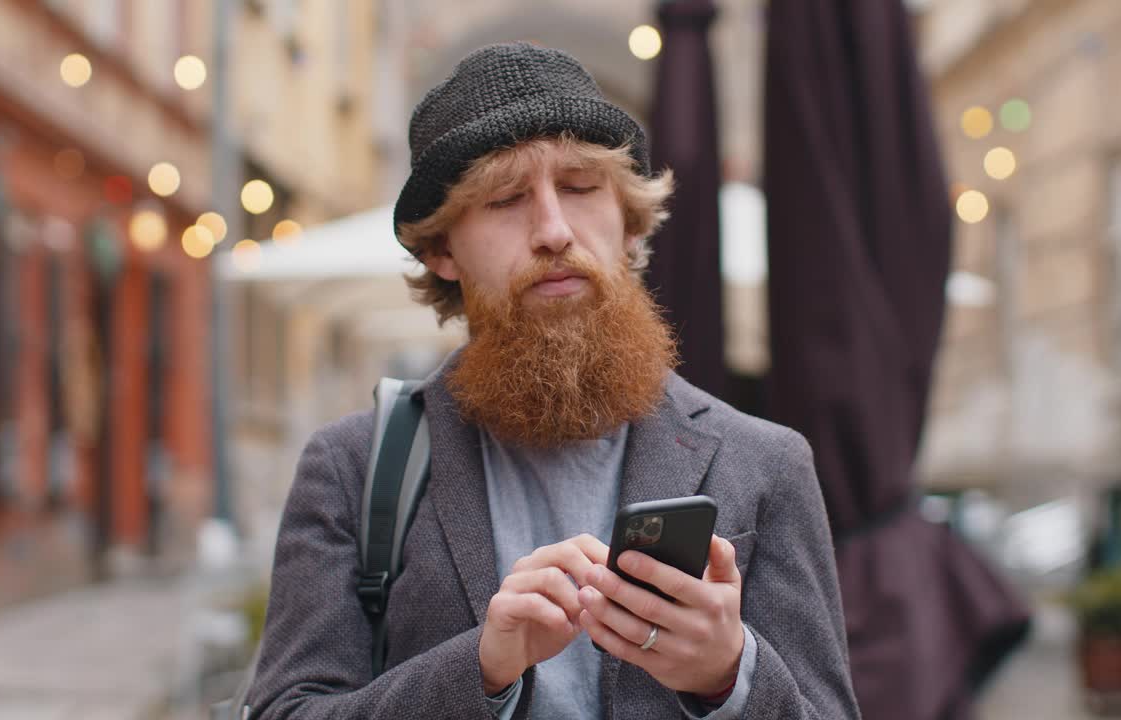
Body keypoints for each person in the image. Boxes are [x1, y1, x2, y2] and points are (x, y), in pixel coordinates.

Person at [246, 42, 859, 720]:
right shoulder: (351, 470)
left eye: (580, 187)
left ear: (628, 224)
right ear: (443, 250)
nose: (554, 231)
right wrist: (482, 666)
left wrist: (729, 674)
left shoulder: (766, 463)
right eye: (507, 199)